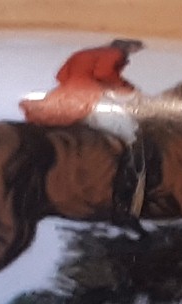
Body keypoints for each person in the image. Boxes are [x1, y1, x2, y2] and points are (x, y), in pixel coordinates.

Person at [20, 39, 151, 230]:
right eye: (134, 50)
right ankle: (131, 170)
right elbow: (103, 74)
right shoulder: (115, 53)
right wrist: (129, 88)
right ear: (128, 47)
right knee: (129, 129)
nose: (132, 54)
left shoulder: (82, 53)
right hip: (89, 96)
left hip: (64, 95)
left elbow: (61, 74)